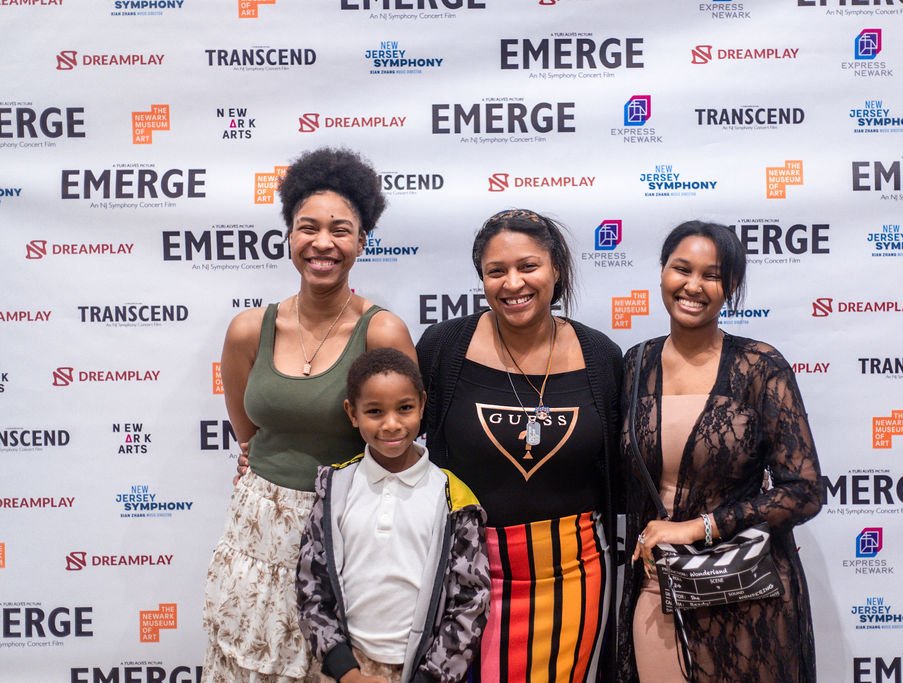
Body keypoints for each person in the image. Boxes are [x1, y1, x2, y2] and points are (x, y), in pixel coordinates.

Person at [203, 147, 416, 683]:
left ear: (362, 241)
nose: (323, 243)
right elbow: (249, 434)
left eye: (341, 230)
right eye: (308, 227)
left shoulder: (382, 332)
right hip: (258, 531)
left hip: (346, 533)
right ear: (289, 236)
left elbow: (400, 438)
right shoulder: (248, 330)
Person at [416, 209, 624, 683]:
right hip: (466, 575)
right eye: (497, 271)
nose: (513, 283)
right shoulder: (443, 347)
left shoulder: (601, 357)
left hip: (573, 575)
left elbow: (627, 460)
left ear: (557, 270)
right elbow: (396, 437)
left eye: (528, 266)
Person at [622, 220, 823, 683]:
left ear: (730, 287)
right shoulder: (636, 364)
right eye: (681, 269)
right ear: (662, 272)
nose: (693, 286)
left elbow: (805, 490)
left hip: (745, 595)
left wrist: (700, 527)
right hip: (659, 591)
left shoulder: (760, 366)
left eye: (711, 275)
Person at [296, 348, 490, 683]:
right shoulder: (335, 489)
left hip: (423, 672)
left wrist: (429, 677)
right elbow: (311, 588)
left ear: (422, 405)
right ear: (352, 413)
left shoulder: (453, 498)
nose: (391, 424)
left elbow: (470, 601)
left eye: (405, 408)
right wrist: (348, 673)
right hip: (347, 671)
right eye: (374, 411)